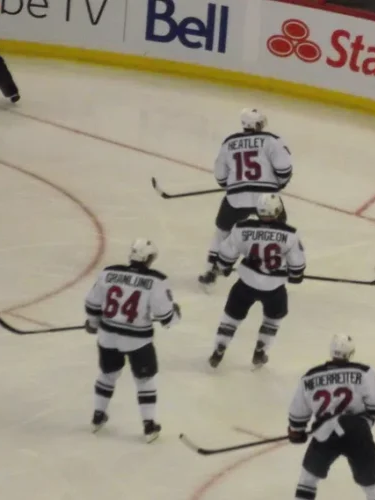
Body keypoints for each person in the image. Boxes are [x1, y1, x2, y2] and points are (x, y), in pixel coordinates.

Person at [83, 239, 181, 442]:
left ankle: (98, 416)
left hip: (108, 336)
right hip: (137, 341)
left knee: (107, 374)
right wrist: (176, 314)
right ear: (148, 259)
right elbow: (166, 318)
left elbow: (93, 303)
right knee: (145, 381)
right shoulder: (157, 280)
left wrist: (93, 322)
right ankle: (148, 425)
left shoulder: (109, 273)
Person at [207, 193, 305, 368]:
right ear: (278, 210)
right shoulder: (290, 234)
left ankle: (219, 348)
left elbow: (227, 254)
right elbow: (297, 265)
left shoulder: (242, 227)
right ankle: (260, 350)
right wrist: (296, 276)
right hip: (274, 288)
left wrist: (224, 267)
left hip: (246, 283)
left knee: (231, 318)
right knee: (272, 320)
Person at [288, 334, 375, 500]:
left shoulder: (310, 377)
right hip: (357, 433)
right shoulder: (363, 372)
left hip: (325, 433)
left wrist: (296, 431)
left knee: (307, 480)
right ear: (350, 353)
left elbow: (297, 416)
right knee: (373, 485)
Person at [200, 108, 293, 286]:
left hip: (236, 198)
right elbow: (284, 170)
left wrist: (235, 186)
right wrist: (278, 184)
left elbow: (220, 176)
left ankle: (211, 271)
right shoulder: (272, 140)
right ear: (257, 124)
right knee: (279, 232)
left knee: (222, 233)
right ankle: (281, 268)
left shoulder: (229, 142)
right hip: (267, 197)